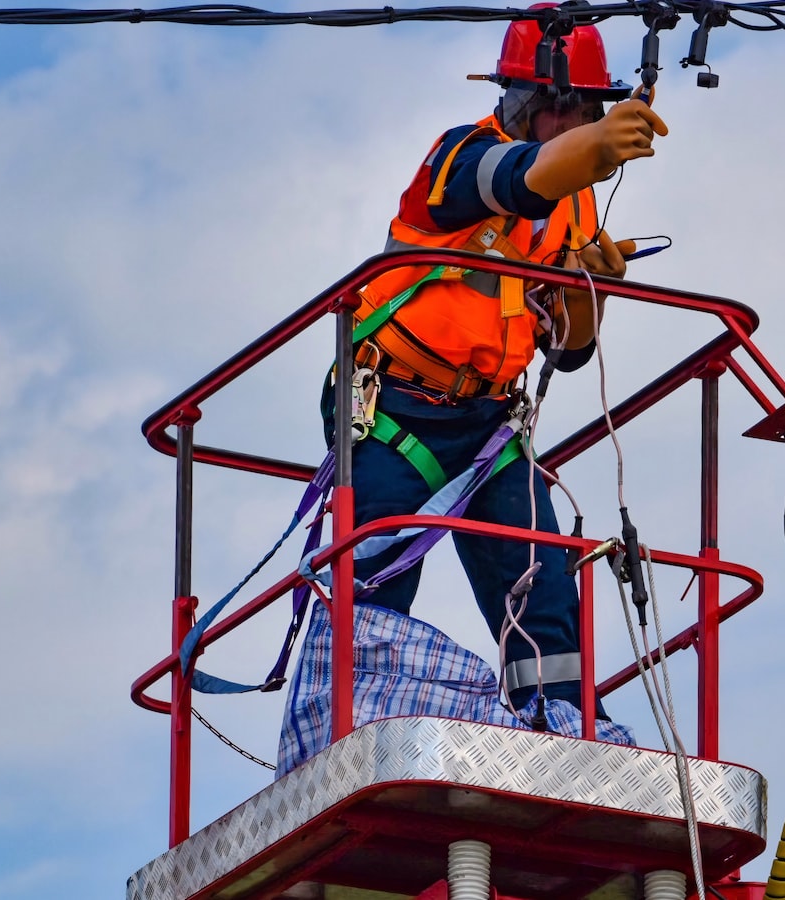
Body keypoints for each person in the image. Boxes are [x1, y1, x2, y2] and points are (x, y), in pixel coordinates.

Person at [281, 9, 669, 766]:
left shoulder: (578, 205)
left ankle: (561, 740)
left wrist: (586, 291)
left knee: (545, 590)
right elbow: (511, 183)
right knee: (373, 582)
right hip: (397, 410)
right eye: (556, 106)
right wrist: (588, 147)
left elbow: (568, 355)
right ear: (520, 102)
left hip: (490, 427)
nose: (567, 119)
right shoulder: (456, 158)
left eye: (582, 110)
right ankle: (344, 742)